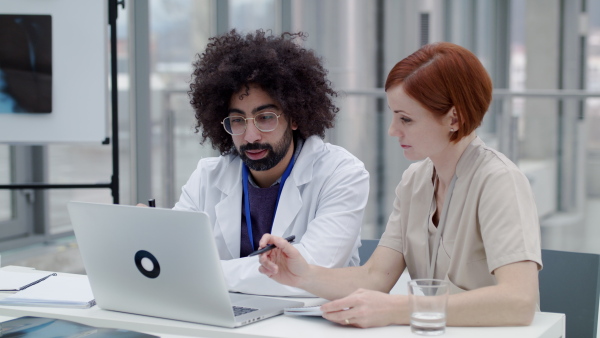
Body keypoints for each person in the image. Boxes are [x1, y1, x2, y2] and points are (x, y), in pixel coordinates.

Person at [258, 42, 542, 327]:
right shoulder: (414, 182)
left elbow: (519, 301)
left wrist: (398, 308)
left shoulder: (499, 181)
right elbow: (376, 277)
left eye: (406, 119)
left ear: (454, 118)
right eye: (394, 116)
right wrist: (303, 274)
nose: (393, 131)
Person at [173, 29, 370, 296]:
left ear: (295, 116)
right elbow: (172, 259)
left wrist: (202, 272)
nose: (251, 136)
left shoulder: (341, 174)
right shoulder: (208, 176)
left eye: (265, 117)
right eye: (238, 120)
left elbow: (305, 273)